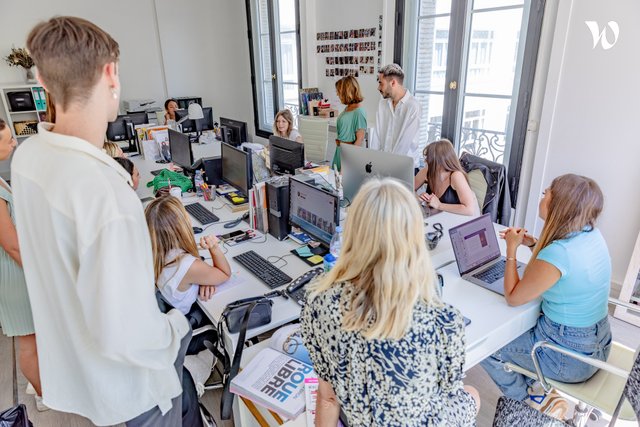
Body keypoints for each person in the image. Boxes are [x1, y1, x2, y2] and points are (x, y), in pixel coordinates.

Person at [13, 17, 201, 426]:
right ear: (110, 72)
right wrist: (173, 325)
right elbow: (126, 333)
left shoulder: (27, 159)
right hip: (134, 393)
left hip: (82, 377)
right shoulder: (105, 193)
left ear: (43, 79)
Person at [300, 178, 479, 426]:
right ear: (414, 238)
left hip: (359, 419)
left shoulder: (317, 302)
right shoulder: (446, 321)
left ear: (353, 232)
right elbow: (446, 394)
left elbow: (328, 398)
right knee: (473, 395)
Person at [480, 174, 612, 419]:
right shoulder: (591, 235)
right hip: (599, 345)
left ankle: (530, 402)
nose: (542, 197)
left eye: (546, 194)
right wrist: (533, 245)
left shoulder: (558, 253)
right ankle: (539, 387)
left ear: (557, 206)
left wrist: (511, 250)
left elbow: (513, 297)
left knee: (487, 345)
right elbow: (563, 267)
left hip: (571, 358)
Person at [145, 196, 231, 354]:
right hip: (186, 333)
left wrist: (204, 279)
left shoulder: (154, 252)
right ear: (181, 226)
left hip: (166, 324)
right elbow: (225, 274)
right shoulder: (187, 265)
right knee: (226, 319)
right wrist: (214, 247)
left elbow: (194, 272)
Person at [0, 118, 45, 411]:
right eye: (8, 141)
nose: (15, 143)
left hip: (18, 268)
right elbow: (11, 244)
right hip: (15, 274)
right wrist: (41, 275)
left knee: (36, 337)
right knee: (28, 342)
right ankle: (45, 394)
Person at [373, 64, 422, 169]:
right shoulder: (382, 104)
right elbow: (376, 138)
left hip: (405, 168)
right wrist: (372, 163)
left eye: (381, 83)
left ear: (393, 83)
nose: (378, 88)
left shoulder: (413, 107)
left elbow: (404, 145)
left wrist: (387, 167)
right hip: (385, 166)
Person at [414, 139, 479, 216]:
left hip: (458, 220)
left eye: (429, 158)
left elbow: (469, 210)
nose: (425, 161)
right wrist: (418, 198)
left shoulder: (456, 176)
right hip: (439, 218)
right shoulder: (427, 171)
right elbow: (408, 188)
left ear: (440, 161)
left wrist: (439, 205)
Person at [333, 76, 367, 171]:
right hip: (340, 151)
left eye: (338, 91)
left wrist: (347, 164)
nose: (337, 94)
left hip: (348, 155)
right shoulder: (348, 108)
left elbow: (359, 140)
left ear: (346, 92)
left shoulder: (359, 112)